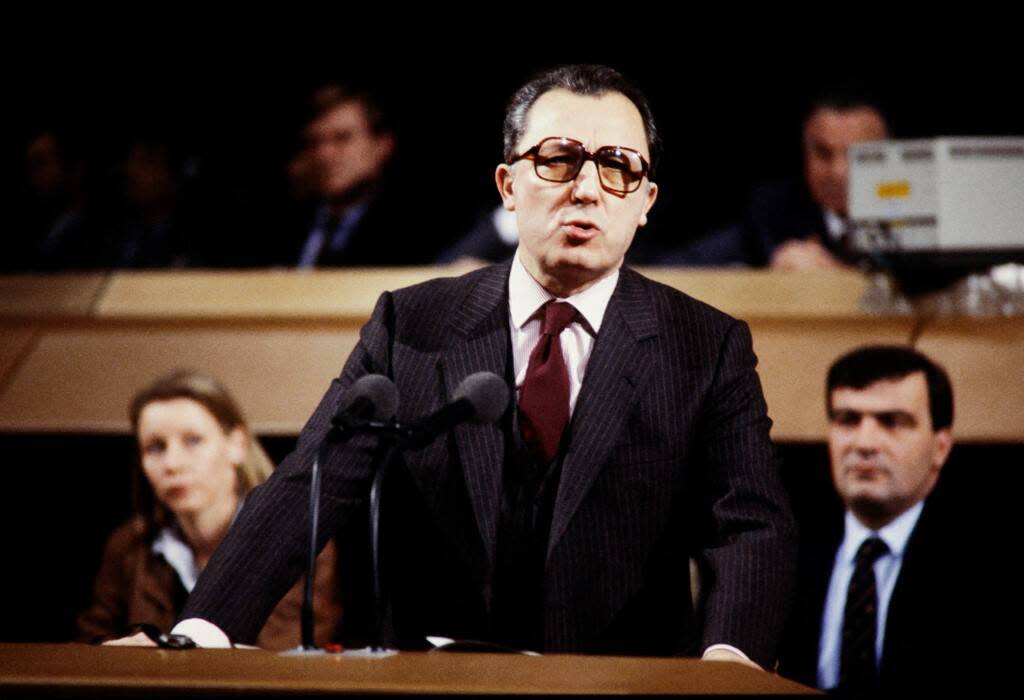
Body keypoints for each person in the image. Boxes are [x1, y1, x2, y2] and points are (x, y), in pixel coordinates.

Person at [172, 64, 796, 668]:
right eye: (558, 159)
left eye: (618, 167)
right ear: (506, 186)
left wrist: (727, 663)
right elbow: (309, 483)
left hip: (622, 690)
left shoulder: (705, 346)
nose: (586, 188)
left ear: (646, 202)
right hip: (434, 688)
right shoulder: (408, 325)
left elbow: (748, 525)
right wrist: (199, 632)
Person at [78, 369, 342, 650]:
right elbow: (92, 645)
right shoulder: (129, 545)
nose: (173, 464)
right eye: (155, 447)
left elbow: (283, 654)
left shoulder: (296, 540)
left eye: (193, 441)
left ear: (236, 444)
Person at [778, 345, 987, 691]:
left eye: (891, 422)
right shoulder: (784, 549)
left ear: (941, 446)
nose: (865, 442)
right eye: (848, 420)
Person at [658, 90, 889, 269]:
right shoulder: (775, 214)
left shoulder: (917, 215)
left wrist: (835, 279)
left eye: (856, 155)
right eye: (823, 153)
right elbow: (675, 269)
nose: (838, 171)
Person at [253, 82, 436, 267]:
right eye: (314, 142)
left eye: (342, 138)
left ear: (382, 145)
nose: (324, 154)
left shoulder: (413, 231)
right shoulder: (278, 226)